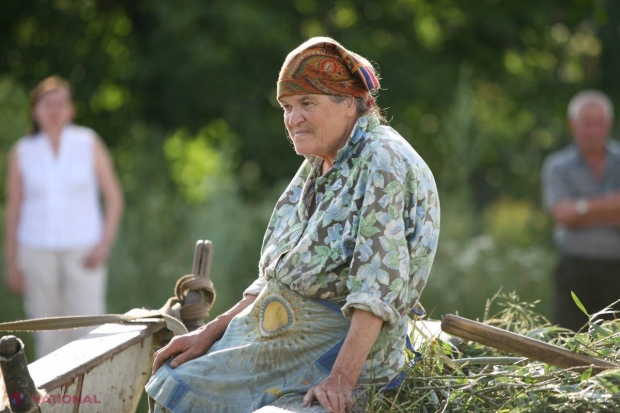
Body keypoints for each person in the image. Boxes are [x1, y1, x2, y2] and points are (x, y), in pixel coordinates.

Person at [146, 37, 440, 413]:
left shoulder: (383, 162)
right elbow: (277, 275)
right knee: (171, 382)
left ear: (349, 103)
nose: (292, 119)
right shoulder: (321, 159)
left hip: (336, 355)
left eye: (306, 104)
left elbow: (376, 292)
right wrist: (210, 331)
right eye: (287, 106)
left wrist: (341, 381)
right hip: (276, 341)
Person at [3, 76, 124, 358]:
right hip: (35, 251)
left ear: (71, 109)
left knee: (89, 332)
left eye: (61, 104)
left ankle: (89, 399)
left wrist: (104, 244)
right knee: (46, 333)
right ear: (35, 110)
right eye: (47, 104)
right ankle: (52, 402)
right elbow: (14, 209)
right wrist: (12, 262)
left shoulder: (88, 142)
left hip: (84, 250)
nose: (54, 111)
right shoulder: (22, 152)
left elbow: (114, 198)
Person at [542, 90, 620, 332]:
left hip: (616, 271)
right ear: (573, 125)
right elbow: (562, 216)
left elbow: (572, 214)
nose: (594, 130)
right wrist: (611, 206)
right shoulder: (557, 166)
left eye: (599, 123)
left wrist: (582, 208)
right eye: (587, 123)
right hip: (574, 271)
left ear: (609, 125)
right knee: (568, 344)